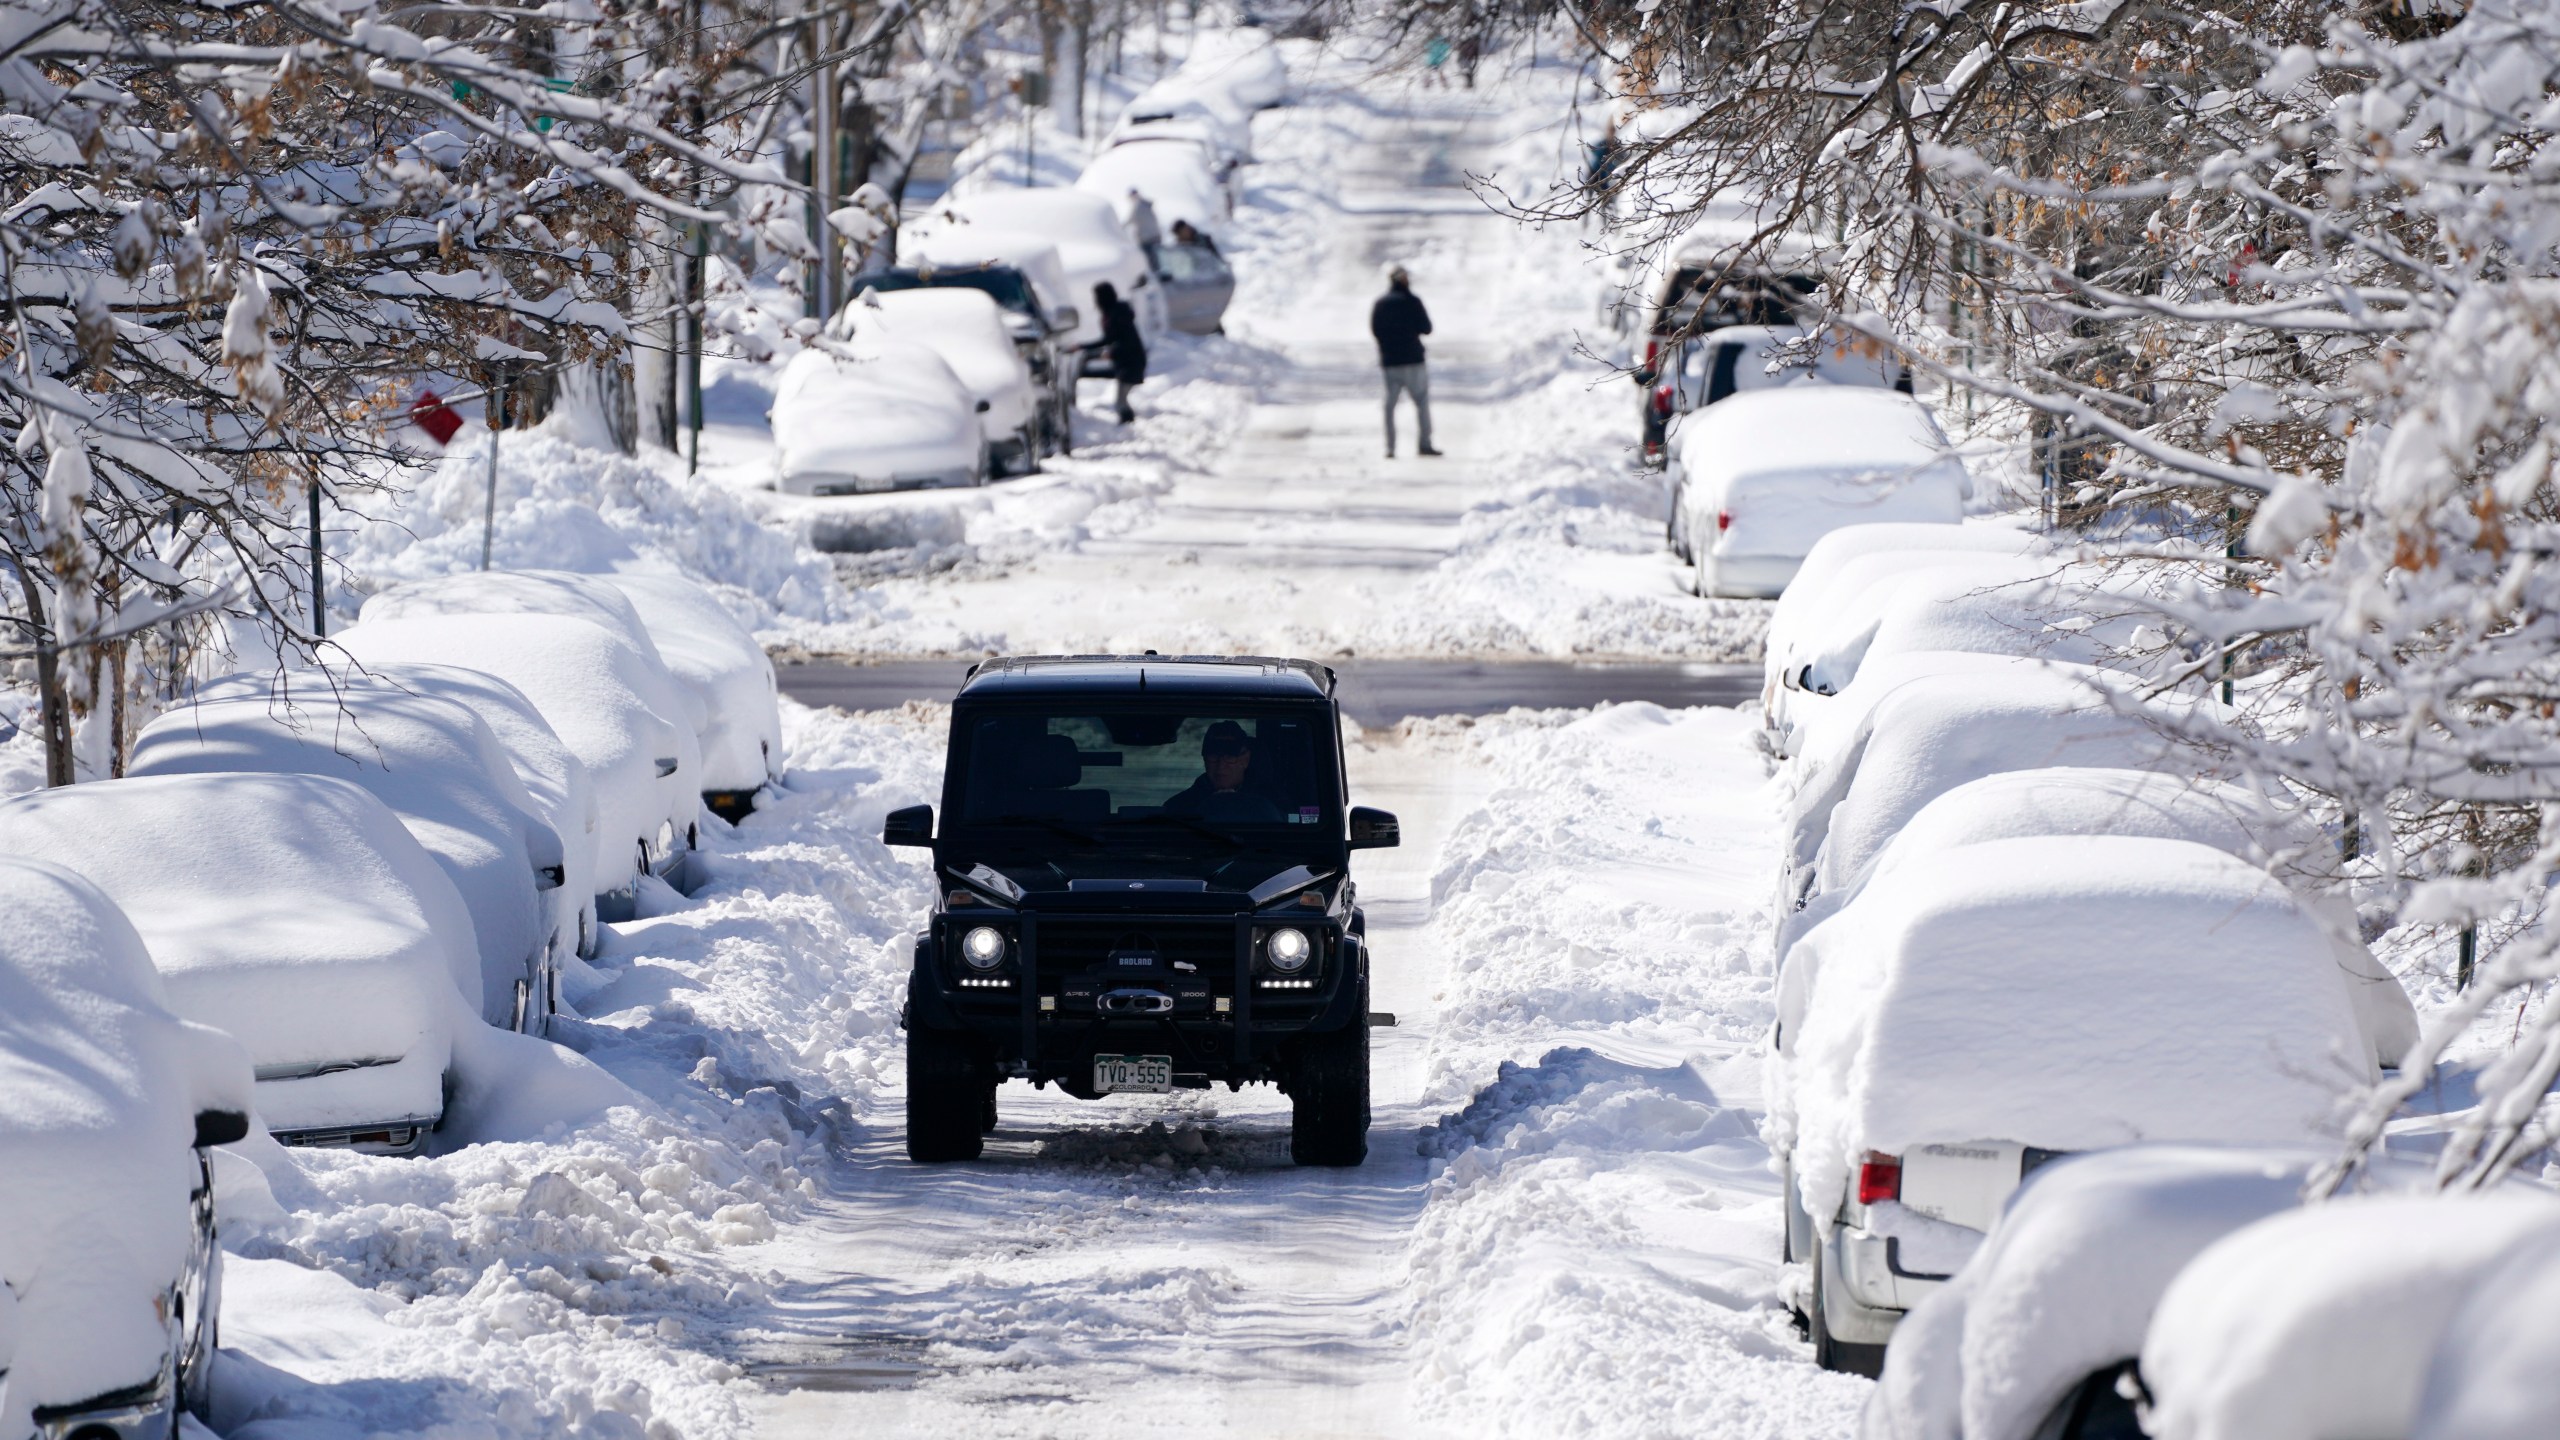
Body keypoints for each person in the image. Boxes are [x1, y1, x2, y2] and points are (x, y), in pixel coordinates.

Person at [1371, 264, 1439, 458]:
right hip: (1414, 361)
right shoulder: (1413, 302)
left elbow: (1375, 330)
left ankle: (1390, 448)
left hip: (1390, 362)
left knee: (1390, 407)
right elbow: (1427, 328)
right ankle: (1425, 444)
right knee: (1421, 403)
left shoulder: (1381, 303)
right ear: (1403, 280)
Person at [1160, 722, 1281, 823]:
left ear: (1245, 759)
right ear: (1205, 759)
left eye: (1230, 756)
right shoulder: (1179, 807)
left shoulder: (1273, 803)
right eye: (1213, 755)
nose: (1221, 764)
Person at [1095, 281, 1147, 425]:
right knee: (1121, 400)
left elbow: (1124, 341)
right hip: (1127, 361)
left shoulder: (1117, 315)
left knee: (1120, 401)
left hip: (1131, 361)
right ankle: (1128, 424)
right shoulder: (1116, 313)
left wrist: (1112, 352)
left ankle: (1128, 425)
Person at [1126, 188, 1162, 260]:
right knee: (1156, 259)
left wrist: (1119, 227)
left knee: (1149, 260)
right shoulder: (1145, 205)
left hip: (1147, 239)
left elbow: (1131, 219)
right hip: (1155, 236)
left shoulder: (1138, 206)